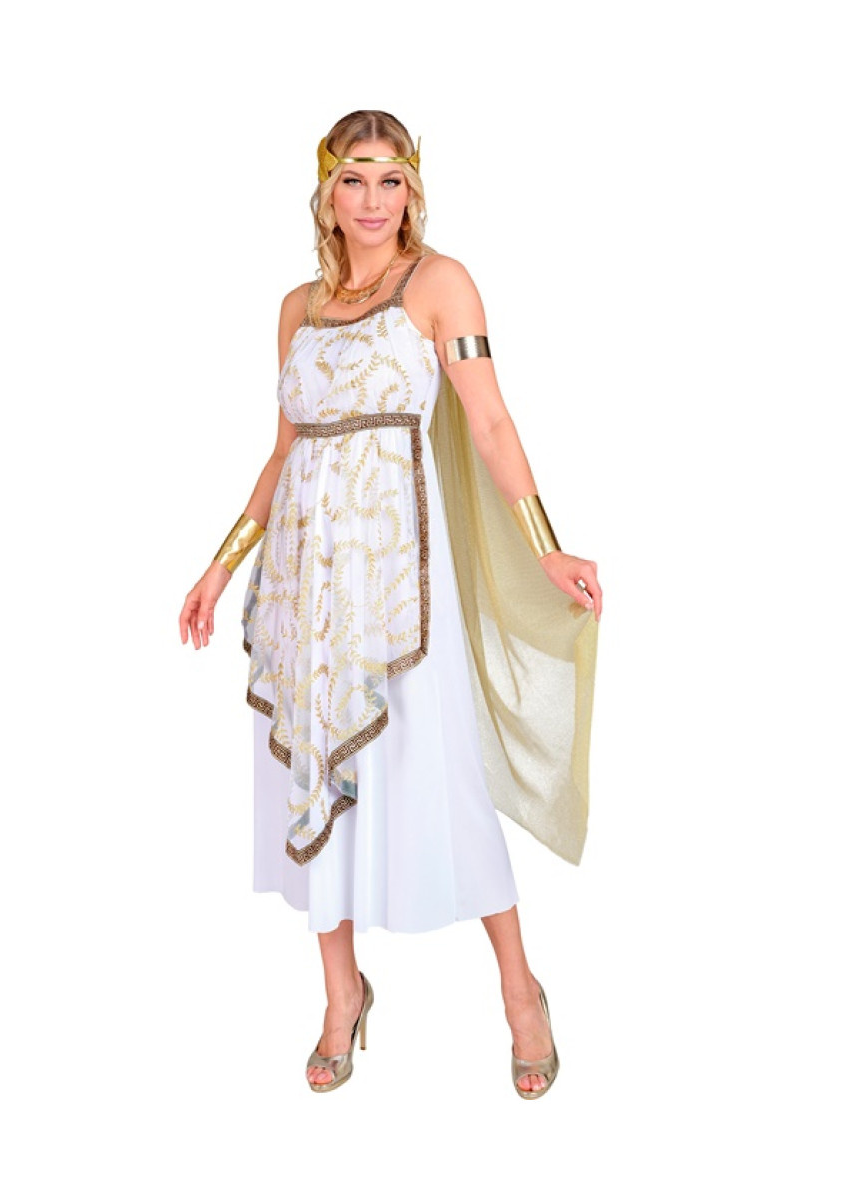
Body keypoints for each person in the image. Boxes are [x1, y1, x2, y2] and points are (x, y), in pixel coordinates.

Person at [178, 110, 601, 1098]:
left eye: (390, 180)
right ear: (325, 191)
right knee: (316, 775)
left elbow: (489, 422)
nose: (371, 200)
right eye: (353, 179)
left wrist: (545, 544)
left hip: (401, 587)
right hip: (304, 586)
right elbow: (284, 454)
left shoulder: (440, 285)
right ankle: (341, 996)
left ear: (412, 190)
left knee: (439, 773)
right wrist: (219, 565)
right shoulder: (297, 307)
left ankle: (521, 993)